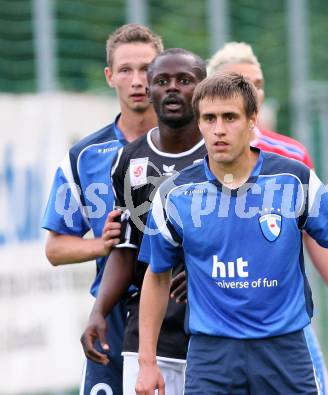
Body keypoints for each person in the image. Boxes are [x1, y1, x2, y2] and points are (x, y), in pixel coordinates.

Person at [135, 73, 328, 395]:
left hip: (284, 350)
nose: (219, 129)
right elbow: (157, 275)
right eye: (209, 118)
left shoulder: (293, 179)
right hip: (211, 356)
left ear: (252, 120)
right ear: (198, 124)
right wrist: (147, 362)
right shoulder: (175, 193)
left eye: (230, 117)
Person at [205, 41, 328, 394]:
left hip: (283, 316)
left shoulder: (290, 154)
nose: (252, 92)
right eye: (240, 83)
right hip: (215, 324)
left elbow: (316, 232)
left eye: (257, 83)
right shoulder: (200, 157)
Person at [41, 24, 163, 394]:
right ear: (110, 77)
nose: (137, 80)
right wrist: (102, 243)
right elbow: (55, 249)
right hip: (114, 312)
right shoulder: (84, 157)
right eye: (126, 70)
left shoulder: (192, 147)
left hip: (182, 310)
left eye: (147, 69)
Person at [80, 48, 207, 394]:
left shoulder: (221, 153)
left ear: (203, 88)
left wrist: (201, 269)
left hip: (215, 330)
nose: (172, 89)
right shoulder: (130, 159)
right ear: (149, 90)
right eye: (162, 81)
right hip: (150, 333)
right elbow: (125, 250)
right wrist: (99, 312)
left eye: (184, 81)